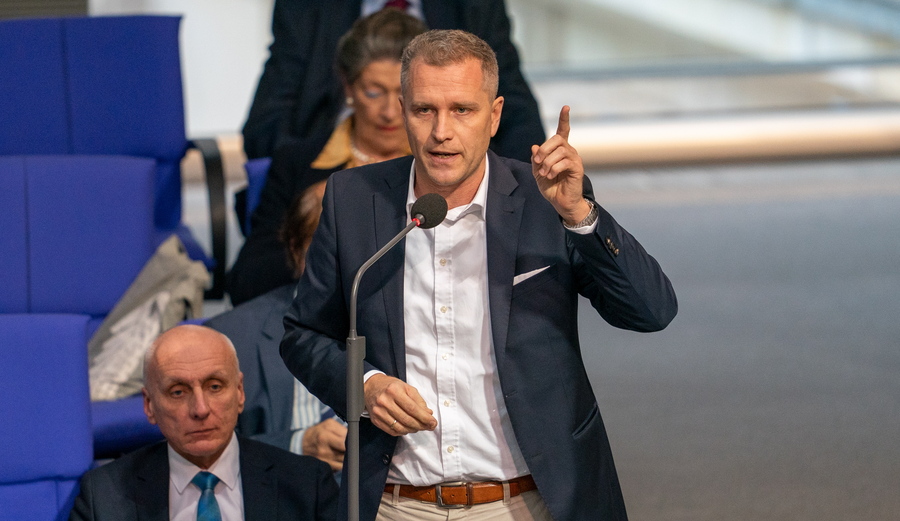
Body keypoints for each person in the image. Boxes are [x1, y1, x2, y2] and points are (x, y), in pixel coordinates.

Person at [280, 29, 678, 521]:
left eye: (462, 110)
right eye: (424, 110)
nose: (441, 131)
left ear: (494, 116)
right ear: (403, 110)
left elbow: (651, 311)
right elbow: (303, 334)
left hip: (526, 501)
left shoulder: (544, 199)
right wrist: (364, 386)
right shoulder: (354, 199)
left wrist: (579, 215)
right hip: (397, 503)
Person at [227, 8, 427, 306]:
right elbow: (246, 281)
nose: (389, 112)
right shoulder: (298, 162)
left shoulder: (443, 160)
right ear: (348, 86)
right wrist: (308, 244)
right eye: (374, 92)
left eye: (402, 94)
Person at [70, 325, 339, 521]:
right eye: (178, 392)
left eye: (215, 386)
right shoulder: (103, 496)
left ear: (239, 392)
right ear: (149, 405)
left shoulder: (307, 485)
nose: (200, 409)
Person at [242, 0, 544, 165]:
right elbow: (264, 128)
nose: (390, 112)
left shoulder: (474, 7)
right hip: (328, 166)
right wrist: (314, 175)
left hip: (450, 172)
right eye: (374, 91)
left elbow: (518, 117)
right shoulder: (304, 8)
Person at [206, 193, 345, 472]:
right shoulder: (230, 337)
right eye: (325, 248)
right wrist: (295, 445)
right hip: (281, 487)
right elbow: (202, 453)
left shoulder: (416, 325)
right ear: (295, 250)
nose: (343, 264)